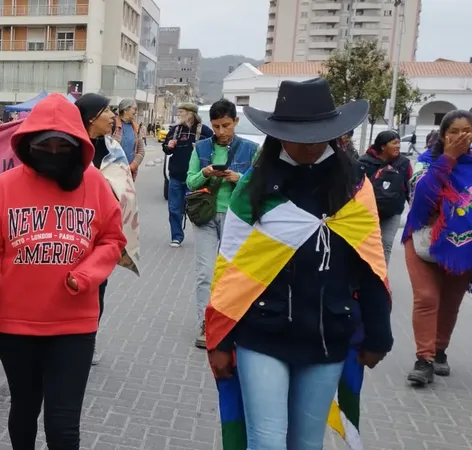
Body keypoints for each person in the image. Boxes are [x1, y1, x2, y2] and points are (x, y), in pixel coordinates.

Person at [205, 79, 393, 449]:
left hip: (328, 336)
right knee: (268, 441)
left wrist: (379, 335)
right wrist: (220, 340)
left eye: (319, 134)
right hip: (262, 333)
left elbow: (372, 265)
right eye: (298, 135)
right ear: (279, 133)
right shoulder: (255, 186)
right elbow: (229, 270)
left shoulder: (354, 186)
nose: (309, 144)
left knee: (307, 443)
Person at [0, 93, 127, 450]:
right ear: (29, 145)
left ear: (77, 145)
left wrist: (86, 274)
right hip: (15, 325)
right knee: (24, 409)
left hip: (75, 325)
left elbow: (113, 240)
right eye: (44, 146)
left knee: (63, 424)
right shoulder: (5, 187)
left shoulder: (95, 184)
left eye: (61, 146)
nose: (53, 153)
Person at [401, 109, 472, 387]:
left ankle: (440, 349)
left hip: (462, 246)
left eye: (466, 131)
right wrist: (449, 159)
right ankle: (424, 359)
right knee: (427, 297)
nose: (460, 136)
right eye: (453, 131)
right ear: (443, 135)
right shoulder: (425, 162)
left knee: (451, 302)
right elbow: (421, 200)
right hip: (422, 240)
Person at [185, 98, 258, 349]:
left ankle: (230, 321)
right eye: (216, 126)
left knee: (230, 273)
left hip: (235, 218)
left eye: (226, 125)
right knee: (205, 272)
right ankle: (206, 324)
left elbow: (260, 184)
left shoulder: (251, 149)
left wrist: (240, 178)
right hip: (204, 216)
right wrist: (204, 173)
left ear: (235, 121)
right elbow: (190, 182)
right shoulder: (201, 148)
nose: (221, 132)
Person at [76, 93, 130, 365]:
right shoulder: (69, 145)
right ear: (91, 118)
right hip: (71, 229)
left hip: (100, 232)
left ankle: (89, 338)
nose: (112, 115)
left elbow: (124, 187)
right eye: (107, 110)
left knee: (98, 285)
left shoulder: (112, 148)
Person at [163, 103, 214, 247]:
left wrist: (202, 150)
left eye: (182, 112)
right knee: (174, 208)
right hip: (176, 176)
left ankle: (203, 237)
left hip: (196, 178)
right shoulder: (175, 130)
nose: (179, 114)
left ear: (190, 114)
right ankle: (176, 236)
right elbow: (166, 149)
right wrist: (169, 146)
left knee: (197, 209)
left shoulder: (204, 131)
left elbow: (214, 149)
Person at [358, 130, 412, 264]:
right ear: (383, 146)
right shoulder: (365, 162)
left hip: (393, 211)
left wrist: (414, 207)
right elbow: (356, 187)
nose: (398, 146)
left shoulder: (403, 163)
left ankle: (381, 281)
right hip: (368, 211)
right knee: (366, 246)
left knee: (385, 245)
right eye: (394, 143)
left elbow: (409, 187)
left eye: (399, 143)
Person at [113, 98, 145, 179]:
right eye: (134, 109)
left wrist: (132, 166)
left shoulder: (136, 128)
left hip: (129, 173)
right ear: (125, 110)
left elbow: (141, 151)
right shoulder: (112, 124)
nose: (136, 112)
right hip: (113, 171)